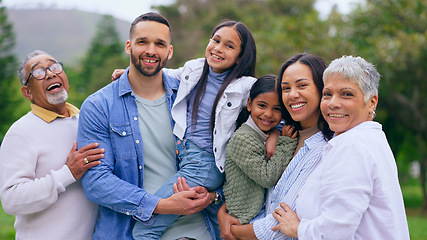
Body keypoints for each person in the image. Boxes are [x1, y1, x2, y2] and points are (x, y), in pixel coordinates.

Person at [112, 19, 261, 239]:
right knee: (214, 227)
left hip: (204, 165)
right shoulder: (195, 69)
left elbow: (270, 108)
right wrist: (128, 73)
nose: (218, 48)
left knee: (145, 227)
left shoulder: (245, 85)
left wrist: (275, 133)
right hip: (185, 155)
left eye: (229, 46)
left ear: (240, 56)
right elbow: (166, 75)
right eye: (216, 40)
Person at [77, 12, 218, 240]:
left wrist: (213, 195)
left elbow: (221, 154)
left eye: (159, 44)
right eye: (142, 42)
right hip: (129, 231)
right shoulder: (99, 106)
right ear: (128, 46)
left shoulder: (191, 95)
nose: (151, 50)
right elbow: (96, 182)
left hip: (197, 229)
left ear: (169, 51)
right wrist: (160, 205)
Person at [270, 55, 410, 239]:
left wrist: (297, 229)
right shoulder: (365, 138)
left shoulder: (353, 146)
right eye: (327, 94)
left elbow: (334, 232)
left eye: (347, 94)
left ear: (372, 102)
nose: (333, 103)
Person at [217, 53, 334, 240]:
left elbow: (281, 221)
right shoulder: (282, 134)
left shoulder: (328, 146)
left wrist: (233, 230)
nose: (293, 94)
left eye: (302, 85)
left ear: (322, 88)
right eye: (286, 88)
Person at [0, 50, 105, 240]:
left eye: (54, 66)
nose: (50, 73)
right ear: (27, 92)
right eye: (38, 72)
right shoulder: (21, 132)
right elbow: (11, 200)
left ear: (65, 78)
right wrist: (68, 173)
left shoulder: (86, 122)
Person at [223, 75, 298, 225]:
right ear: (250, 104)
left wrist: (275, 133)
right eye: (262, 106)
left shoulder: (266, 132)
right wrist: (285, 143)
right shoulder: (243, 138)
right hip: (243, 218)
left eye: (277, 109)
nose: (269, 114)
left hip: (259, 215)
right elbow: (267, 177)